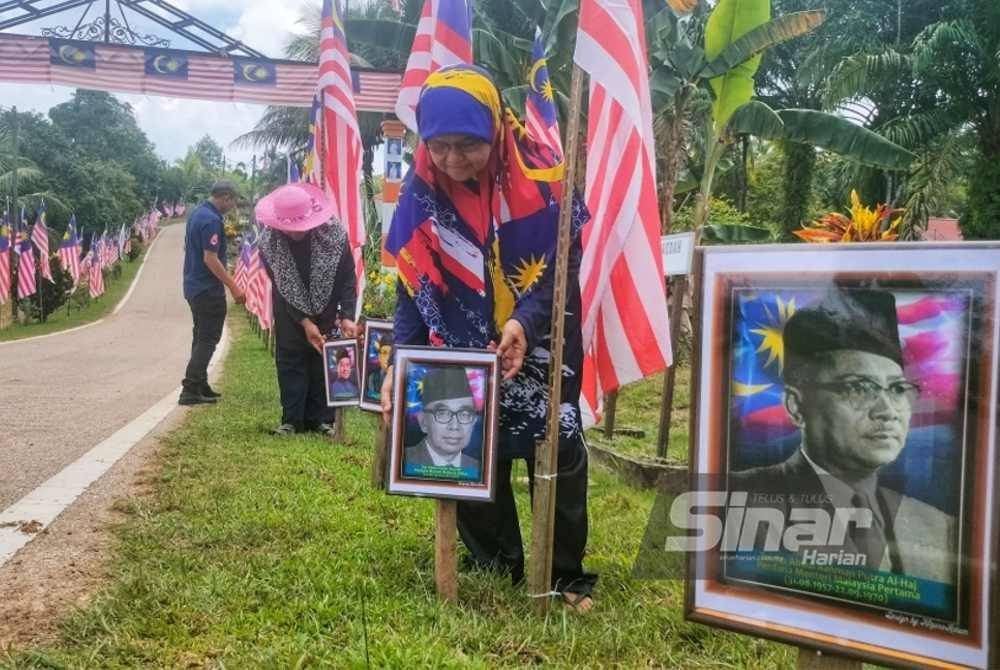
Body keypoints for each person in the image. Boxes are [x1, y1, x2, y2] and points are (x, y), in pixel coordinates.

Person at [381, 65, 597, 611]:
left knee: (559, 446)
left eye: (468, 146)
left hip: (540, 336)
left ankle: (564, 574)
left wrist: (522, 321)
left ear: (495, 131)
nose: (453, 161)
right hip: (459, 341)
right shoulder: (420, 191)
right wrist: (396, 362)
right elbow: (411, 284)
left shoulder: (541, 174)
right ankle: (496, 558)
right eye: (440, 146)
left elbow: (561, 267)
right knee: (468, 445)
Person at [730, 288, 956, 584]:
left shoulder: (937, 525)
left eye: (898, 389)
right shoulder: (737, 501)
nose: (888, 411)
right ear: (796, 406)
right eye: (859, 387)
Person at [255, 182, 357, 436]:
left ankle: (322, 420)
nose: (294, 234)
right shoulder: (269, 243)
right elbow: (280, 286)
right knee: (290, 359)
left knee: (322, 360)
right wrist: (304, 321)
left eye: (299, 227)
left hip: (327, 308)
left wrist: (346, 316)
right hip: (289, 309)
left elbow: (347, 277)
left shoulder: (335, 236)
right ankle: (291, 420)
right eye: (288, 228)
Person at [180, 180, 245, 406]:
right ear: (225, 197)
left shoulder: (198, 214)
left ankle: (200, 383)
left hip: (193, 287)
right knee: (208, 339)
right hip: (207, 289)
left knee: (201, 337)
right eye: (233, 202)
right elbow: (210, 258)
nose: (233, 206)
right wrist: (233, 286)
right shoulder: (210, 219)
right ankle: (190, 388)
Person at [403, 367, 482, 482]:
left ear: (474, 420)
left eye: (464, 414)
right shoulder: (405, 461)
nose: (455, 426)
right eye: (443, 413)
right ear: (423, 421)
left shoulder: (477, 468)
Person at [365, 335, 393, 403]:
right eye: (384, 353)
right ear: (379, 357)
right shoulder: (373, 378)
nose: (388, 358)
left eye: (391, 354)